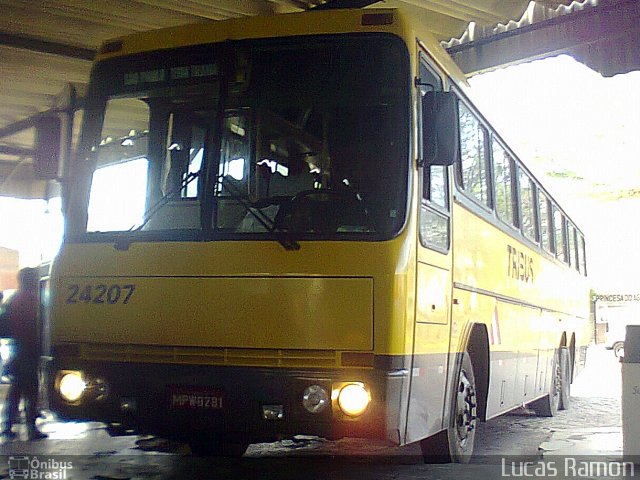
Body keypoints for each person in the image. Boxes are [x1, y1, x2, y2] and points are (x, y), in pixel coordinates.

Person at [1, 267, 47, 440]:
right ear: (30, 280)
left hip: (17, 348)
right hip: (29, 348)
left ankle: (7, 426)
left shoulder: (14, 299)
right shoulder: (32, 300)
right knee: (31, 389)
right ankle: (31, 428)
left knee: (16, 389)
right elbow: (36, 327)